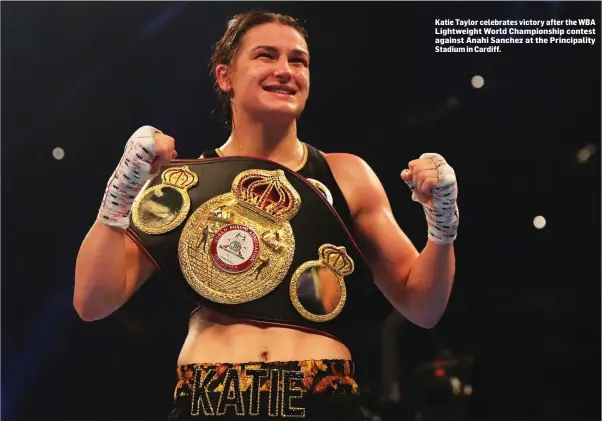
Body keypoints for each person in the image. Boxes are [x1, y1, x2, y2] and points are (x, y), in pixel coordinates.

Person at [74, 10, 459, 421]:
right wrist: (121, 192)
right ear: (225, 77)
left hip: (321, 396)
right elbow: (93, 301)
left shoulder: (347, 175)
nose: (285, 71)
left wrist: (442, 224)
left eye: (298, 60)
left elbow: (423, 307)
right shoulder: (181, 184)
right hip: (210, 397)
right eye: (265, 55)